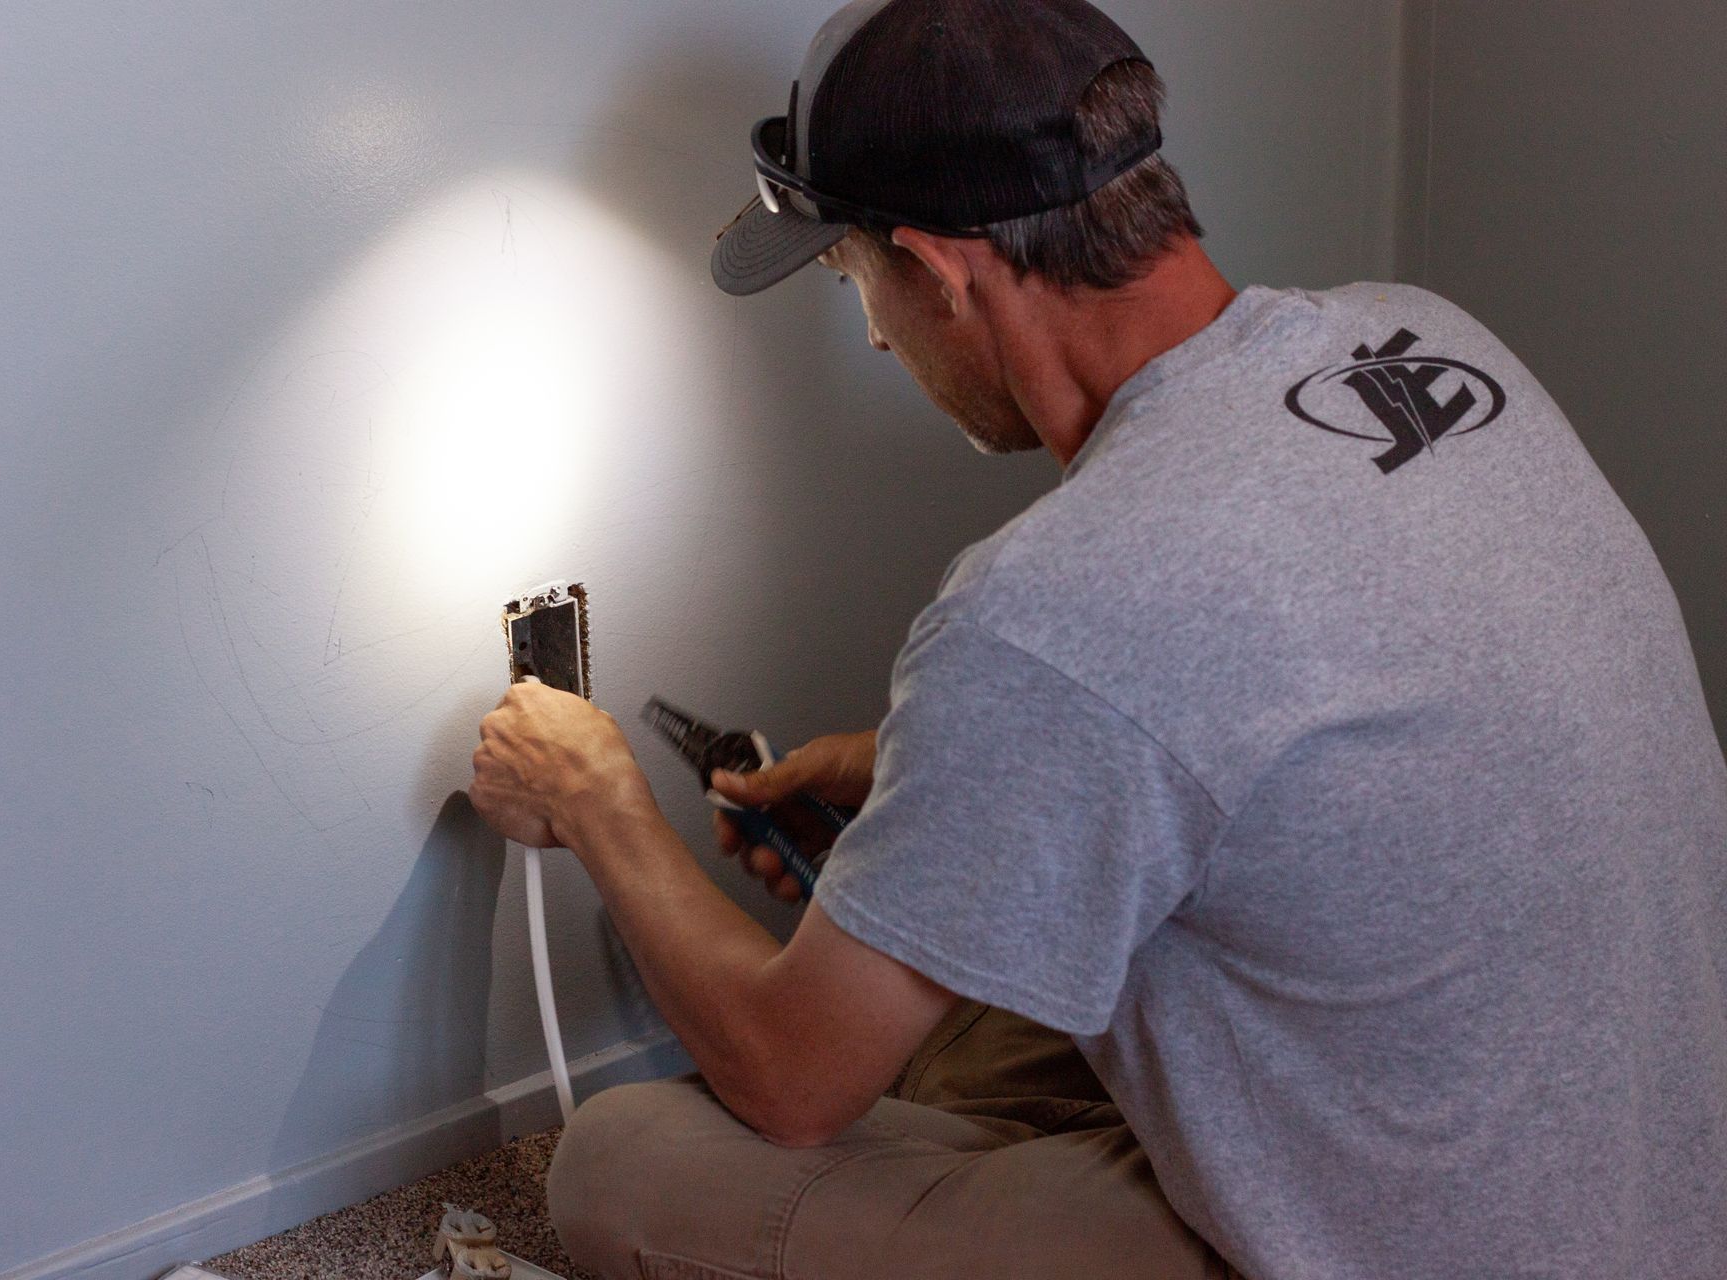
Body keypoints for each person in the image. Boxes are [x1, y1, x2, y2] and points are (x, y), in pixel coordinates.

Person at [469, 0, 1727, 1275]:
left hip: (1424, 1248)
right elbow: (1305, 714)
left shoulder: (1050, 603)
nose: (875, 334)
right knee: (967, 1000)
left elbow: (793, 1080)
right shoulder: (1418, 340)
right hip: (1649, 1187)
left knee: (622, 1159)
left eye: (854, 281)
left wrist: (596, 798)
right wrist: (932, 783)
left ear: (940, 271)